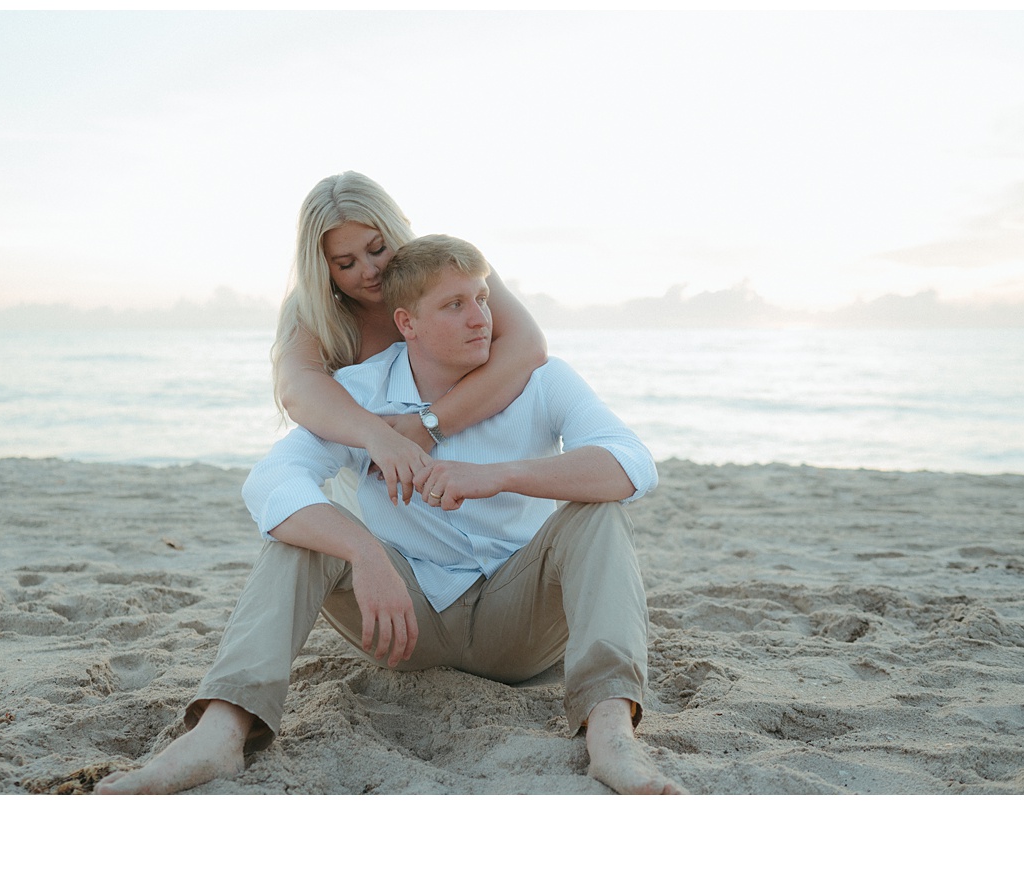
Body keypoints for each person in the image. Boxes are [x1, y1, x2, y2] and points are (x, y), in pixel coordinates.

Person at [96, 235, 683, 795]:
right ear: (407, 323)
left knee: (599, 516)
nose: (481, 317)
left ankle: (611, 734)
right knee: (305, 534)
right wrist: (362, 550)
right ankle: (221, 732)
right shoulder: (360, 394)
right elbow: (271, 482)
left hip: (520, 623)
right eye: (455, 305)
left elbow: (631, 463)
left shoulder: (541, 379)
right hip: (406, 623)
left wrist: (497, 476)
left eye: (482, 297)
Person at [271, 171, 548, 506]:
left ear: (395, 230)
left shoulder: (448, 267)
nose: (369, 270)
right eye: (346, 264)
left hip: (476, 480)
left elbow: (527, 347)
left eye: (377, 249)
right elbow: (297, 389)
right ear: (323, 268)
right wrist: (378, 437)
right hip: (379, 494)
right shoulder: (314, 312)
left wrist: (431, 425)